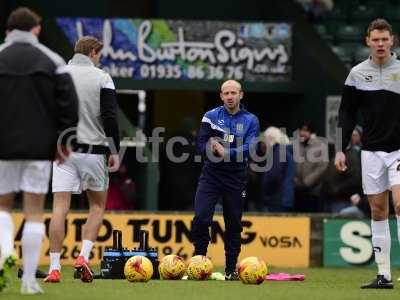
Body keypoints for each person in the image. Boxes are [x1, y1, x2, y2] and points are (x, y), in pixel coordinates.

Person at [0, 7, 79, 294]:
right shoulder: (53, 61)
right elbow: (70, 107)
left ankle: (6, 251)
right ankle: (29, 281)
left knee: (3, 205)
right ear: (36, 31)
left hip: (3, 145)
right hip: (39, 146)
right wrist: (63, 142)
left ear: (9, 30)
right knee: (34, 210)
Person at [44, 36, 120, 283]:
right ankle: (83, 257)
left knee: (59, 208)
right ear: (94, 53)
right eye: (100, 54)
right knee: (97, 207)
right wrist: (115, 150)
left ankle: (54, 268)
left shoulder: (59, 74)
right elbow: (109, 117)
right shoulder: (102, 77)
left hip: (63, 151)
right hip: (94, 151)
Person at [335, 18, 400, 289]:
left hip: (398, 149)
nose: (381, 44)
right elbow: (346, 113)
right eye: (376, 39)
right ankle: (384, 274)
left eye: (385, 39)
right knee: (377, 210)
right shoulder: (357, 74)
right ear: (368, 42)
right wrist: (340, 148)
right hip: (371, 151)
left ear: (392, 40)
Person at [190, 80, 260, 280]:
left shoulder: (251, 120)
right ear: (221, 96)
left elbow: (250, 148)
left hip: (236, 176)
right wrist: (209, 148)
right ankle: (199, 262)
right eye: (226, 93)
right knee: (202, 217)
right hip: (211, 174)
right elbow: (200, 145)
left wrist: (226, 152)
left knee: (233, 223)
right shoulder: (210, 116)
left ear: (241, 95)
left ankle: (231, 269)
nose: (230, 96)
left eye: (233, 93)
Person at [293, 122, 329, 212]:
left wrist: (306, 183)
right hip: (297, 190)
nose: (302, 133)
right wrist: (296, 182)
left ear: (312, 133)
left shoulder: (321, 145)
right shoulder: (296, 145)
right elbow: (292, 164)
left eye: (306, 131)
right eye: (301, 130)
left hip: (313, 191)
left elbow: (322, 167)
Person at [261, 127, 295, 212]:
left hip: (277, 199)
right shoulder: (283, 150)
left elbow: (274, 176)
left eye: (265, 139)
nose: (264, 142)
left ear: (271, 139)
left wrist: (266, 189)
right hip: (281, 198)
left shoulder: (279, 151)